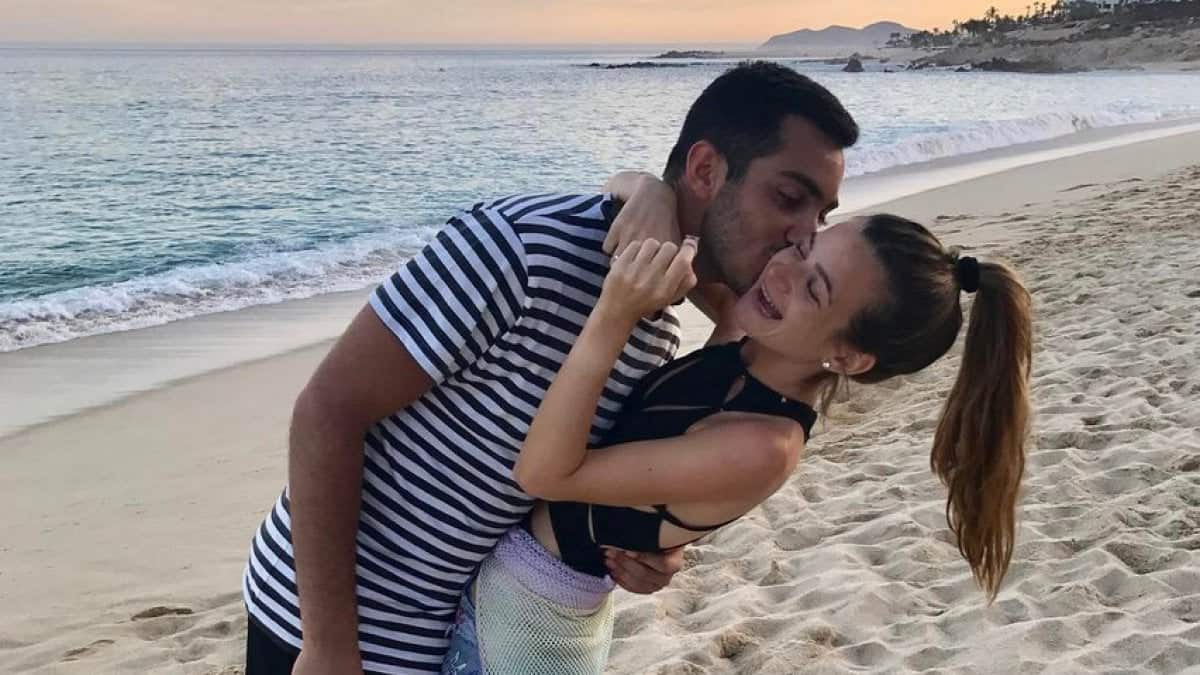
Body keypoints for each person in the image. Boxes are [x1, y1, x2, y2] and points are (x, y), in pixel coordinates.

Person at [242, 60, 860, 674]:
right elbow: (328, 411)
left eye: (821, 216)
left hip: (453, 636)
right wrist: (327, 645)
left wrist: (647, 547)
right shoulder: (522, 249)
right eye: (788, 198)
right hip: (321, 625)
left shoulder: (655, 325)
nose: (802, 235)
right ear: (705, 170)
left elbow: (555, 483)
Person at [441, 213, 1032, 674]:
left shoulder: (763, 444)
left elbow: (545, 474)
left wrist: (613, 316)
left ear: (849, 356)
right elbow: (693, 229)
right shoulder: (745, 333)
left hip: (525, 634)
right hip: (508, 592)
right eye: (803, 247)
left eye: (814, 289)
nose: (781, 272)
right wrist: (643, 188)